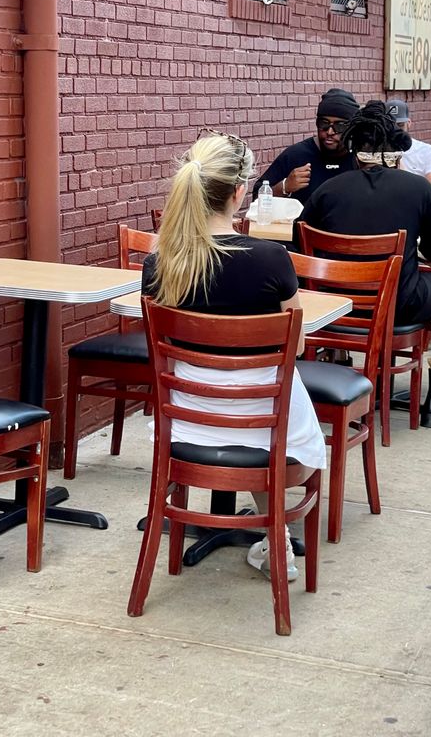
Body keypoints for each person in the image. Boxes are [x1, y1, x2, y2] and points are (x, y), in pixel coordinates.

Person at [142, 132, 327, 581]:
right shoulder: (272, 259)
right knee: (280, 417)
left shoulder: (159, 261)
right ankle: (277, 540)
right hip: (267, 419)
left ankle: (268, 536)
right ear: (241, 192)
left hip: (185, 419)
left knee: (258, 412)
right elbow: (297, 345)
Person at [294, 100, 431, 429]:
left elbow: (302, 246)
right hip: (398, 305)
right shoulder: (418, 188)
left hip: (336, 307)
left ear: (353, 148)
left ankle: (336, 376)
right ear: (397, 150)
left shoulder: (327, 190)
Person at [252, 88, 360, 204]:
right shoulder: (296, 155)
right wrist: (284, 187)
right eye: (324, 123)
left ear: (351, 128)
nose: (329, 132)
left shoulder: (359, 158)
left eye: (339, 126)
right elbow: (256, 199)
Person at [386, 99, 431, 186]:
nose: (396, 130)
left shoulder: (427, 151)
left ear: (409, 123)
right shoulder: (377, 152)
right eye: (391, 126)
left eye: (400, 125)